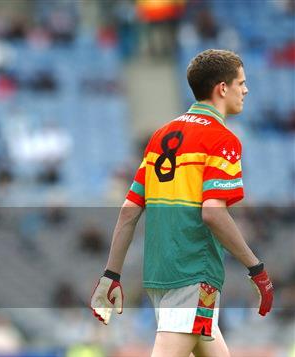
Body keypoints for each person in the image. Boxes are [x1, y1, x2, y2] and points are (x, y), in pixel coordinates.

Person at [90, 49, 274, 357]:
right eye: (241, 82)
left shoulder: (161, 136)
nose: (246, 90)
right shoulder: (221, 140)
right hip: (193, 272)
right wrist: (256, 268)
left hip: (160, 274)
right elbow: (214, 214)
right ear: (222, 88)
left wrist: (111, 275)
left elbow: (129, 211)